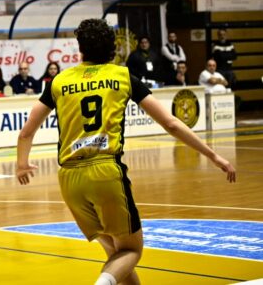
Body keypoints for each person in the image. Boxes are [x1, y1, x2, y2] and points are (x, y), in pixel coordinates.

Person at [16, 18, 236, 285]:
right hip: (106, 173)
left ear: (81, 49)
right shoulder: (122, 77)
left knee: (117, 256)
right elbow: (171, 123)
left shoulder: (59, 81)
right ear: (113, 48)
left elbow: (26, 132)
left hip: (69, 179)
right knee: (132, 251)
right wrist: (213, 155)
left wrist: (22, 164)